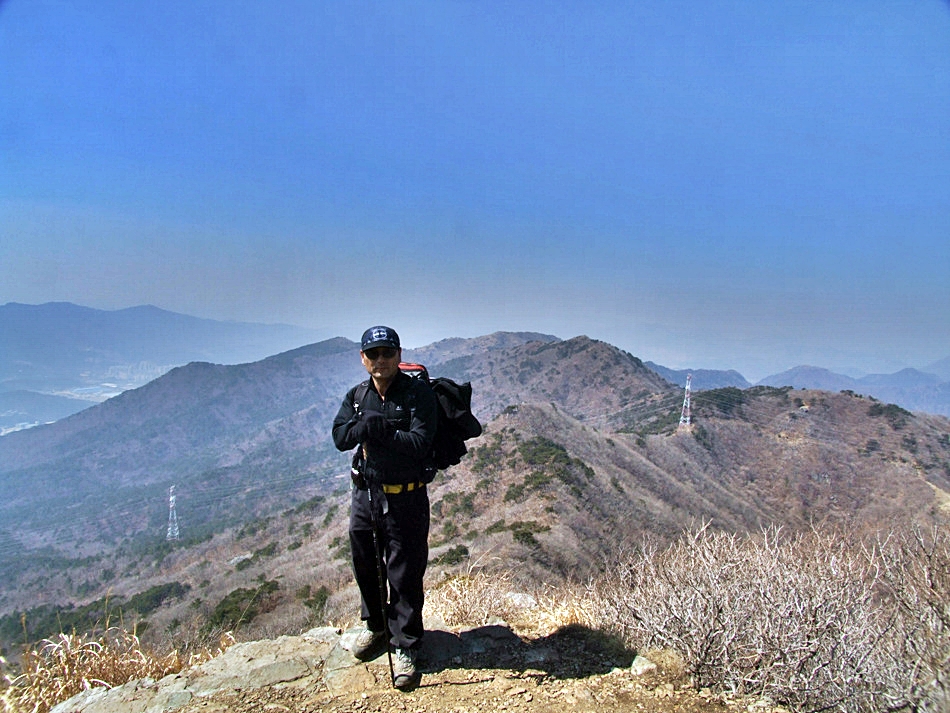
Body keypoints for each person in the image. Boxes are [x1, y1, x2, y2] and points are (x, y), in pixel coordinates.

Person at [331, 325, 438, 689]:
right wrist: (364, 427)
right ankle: (376, 626)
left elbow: (422, 441)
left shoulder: (417, 395)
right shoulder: (358, 396)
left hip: (406, 495)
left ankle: (405, 644)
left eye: (387, 353)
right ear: (363, 359)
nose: (380, 360)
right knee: (366, 560)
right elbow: (339, 437)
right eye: (373, 354)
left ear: (398, 355)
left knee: (405, 571)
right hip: (366, 494)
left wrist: (385, 433)